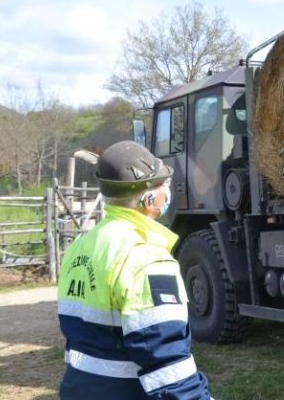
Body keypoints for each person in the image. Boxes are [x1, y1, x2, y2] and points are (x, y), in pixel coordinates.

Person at [58, 140, 211, 399]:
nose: (167, 191)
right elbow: (166, 361)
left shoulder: (80, 247)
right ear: (148, 196)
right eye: (163, 185)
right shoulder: (144, 257)